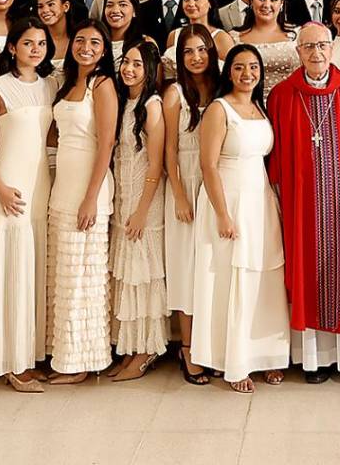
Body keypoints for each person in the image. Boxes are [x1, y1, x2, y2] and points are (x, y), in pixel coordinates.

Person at [266, 21, 340, 385]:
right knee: (310, 274)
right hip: (303, 207)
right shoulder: (282, 96)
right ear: (298, 52)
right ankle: (316, 359)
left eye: (322, 45)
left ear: (332, 49)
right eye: (308, 47)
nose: (316, 53)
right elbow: (278, 158)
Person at [190, 44, 290, 393]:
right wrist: (222, 214)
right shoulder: (219, 109)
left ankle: (266, 354)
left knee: (264, 275)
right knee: (232, 279)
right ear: (228, 72)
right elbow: (208, 165)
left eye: (253, 67)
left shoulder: (261, 108)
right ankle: (235, 361)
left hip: (259, 199)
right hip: (228, 198)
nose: (247, 74)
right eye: (239, 67)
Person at [46, 21, 117, 384]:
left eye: (94, 42)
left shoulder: (101, 85)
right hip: (63, 185)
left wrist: (90, 198)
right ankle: (64, 353)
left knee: (83, 278)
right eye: (80, 40)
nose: (86, 47)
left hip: (90, 188)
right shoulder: (66, 83)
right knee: (64, 274)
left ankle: (83, 362)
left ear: (104, 50)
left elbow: (106, 143)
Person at [108, 40, 168, 381]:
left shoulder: (152, 105)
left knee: (143, 276)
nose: (129, 69)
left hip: (145, 201)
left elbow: (156, 164)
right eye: (126, 62)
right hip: (123, 196)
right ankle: (130, 348)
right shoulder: (124, 101)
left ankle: (146, 350)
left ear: (149, 70)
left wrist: (143, 210)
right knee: (127, 275)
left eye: (137, 64)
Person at [163, 25, 219, 384]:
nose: (196, 57)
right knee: (186, 266)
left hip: (215, 183)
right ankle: (187, 347)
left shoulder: (221, 89)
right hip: (184, 180)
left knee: (212, 266)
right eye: (188, 51)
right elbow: (168, 149)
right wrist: (180, 194)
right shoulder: (175, 93)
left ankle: (211, 344)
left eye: (201, 50)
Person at [238, 0, 299, 90]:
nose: (266, 5)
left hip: (289, 98)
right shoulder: (234, 37)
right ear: (251, 1)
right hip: (249, 99)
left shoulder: (297, 35)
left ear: (281, 3)